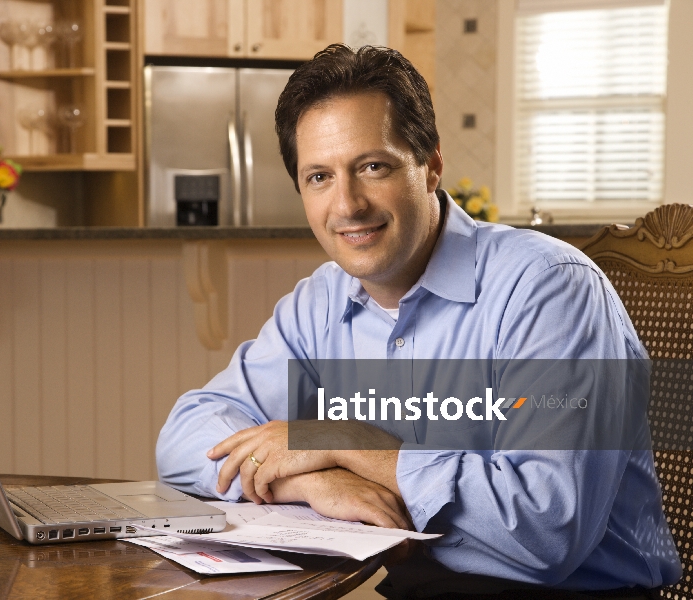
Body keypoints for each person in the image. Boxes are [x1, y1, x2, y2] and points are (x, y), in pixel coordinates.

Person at [155, 45, 681, 598]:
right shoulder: (320, 304)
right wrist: (311, 480)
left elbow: (547, 534)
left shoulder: (547, 286)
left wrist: (349, 442)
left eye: (372, 167)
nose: (347, 205)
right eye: (319, 177)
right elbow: (186, 437)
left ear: (430, 165)